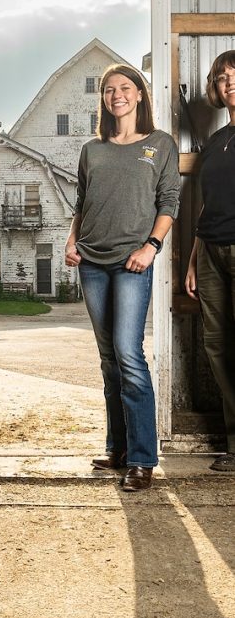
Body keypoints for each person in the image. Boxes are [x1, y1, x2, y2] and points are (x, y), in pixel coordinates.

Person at [65, 64, 180, 491]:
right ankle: (117, 449)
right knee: (109, 359)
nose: (117, 94)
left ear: (139, 95)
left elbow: (169, 201)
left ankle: (143, 459)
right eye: (110, 89)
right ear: (104, 100)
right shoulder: (92, 149)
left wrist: (151, 246)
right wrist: (71, 240)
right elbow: (82, 200)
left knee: (129, 354)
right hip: (91, 261)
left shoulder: (159, 144)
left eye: (125, 88)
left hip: (133, 261)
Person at [185, 51, 235, 472]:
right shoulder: (217, 141)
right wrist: (192, 260)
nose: (229, 81)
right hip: (212, 253)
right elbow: (205, 206)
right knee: (217, 347)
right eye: (221, 76)